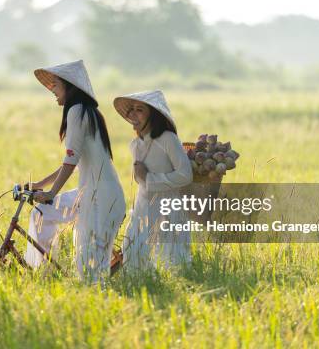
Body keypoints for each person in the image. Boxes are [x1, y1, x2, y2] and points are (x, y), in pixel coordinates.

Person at [24, 60, 126, 282]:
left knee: (91, 272)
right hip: (90, 194)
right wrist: (41, 184)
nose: (52, 90)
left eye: (56, 85)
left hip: (101, 198)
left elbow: (70, 161)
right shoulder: (86, 112)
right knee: (41, 213)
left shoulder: (78, 112)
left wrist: (51, 194)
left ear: (70, 87)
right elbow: (74, 161)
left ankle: (49, 277)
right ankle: (44, 275)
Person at [113, 90, 193, 270]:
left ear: (153, 115)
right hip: (143, 207)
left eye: (139, 110)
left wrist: (149, 179)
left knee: (173, 262)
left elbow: (185, 175)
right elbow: (141, 181)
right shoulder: (134, 145)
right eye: (131, 110)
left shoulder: (168, 139)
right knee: (133, 253)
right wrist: (143, 181)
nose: (133, 114)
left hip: (168, 208)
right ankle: (142, 289)